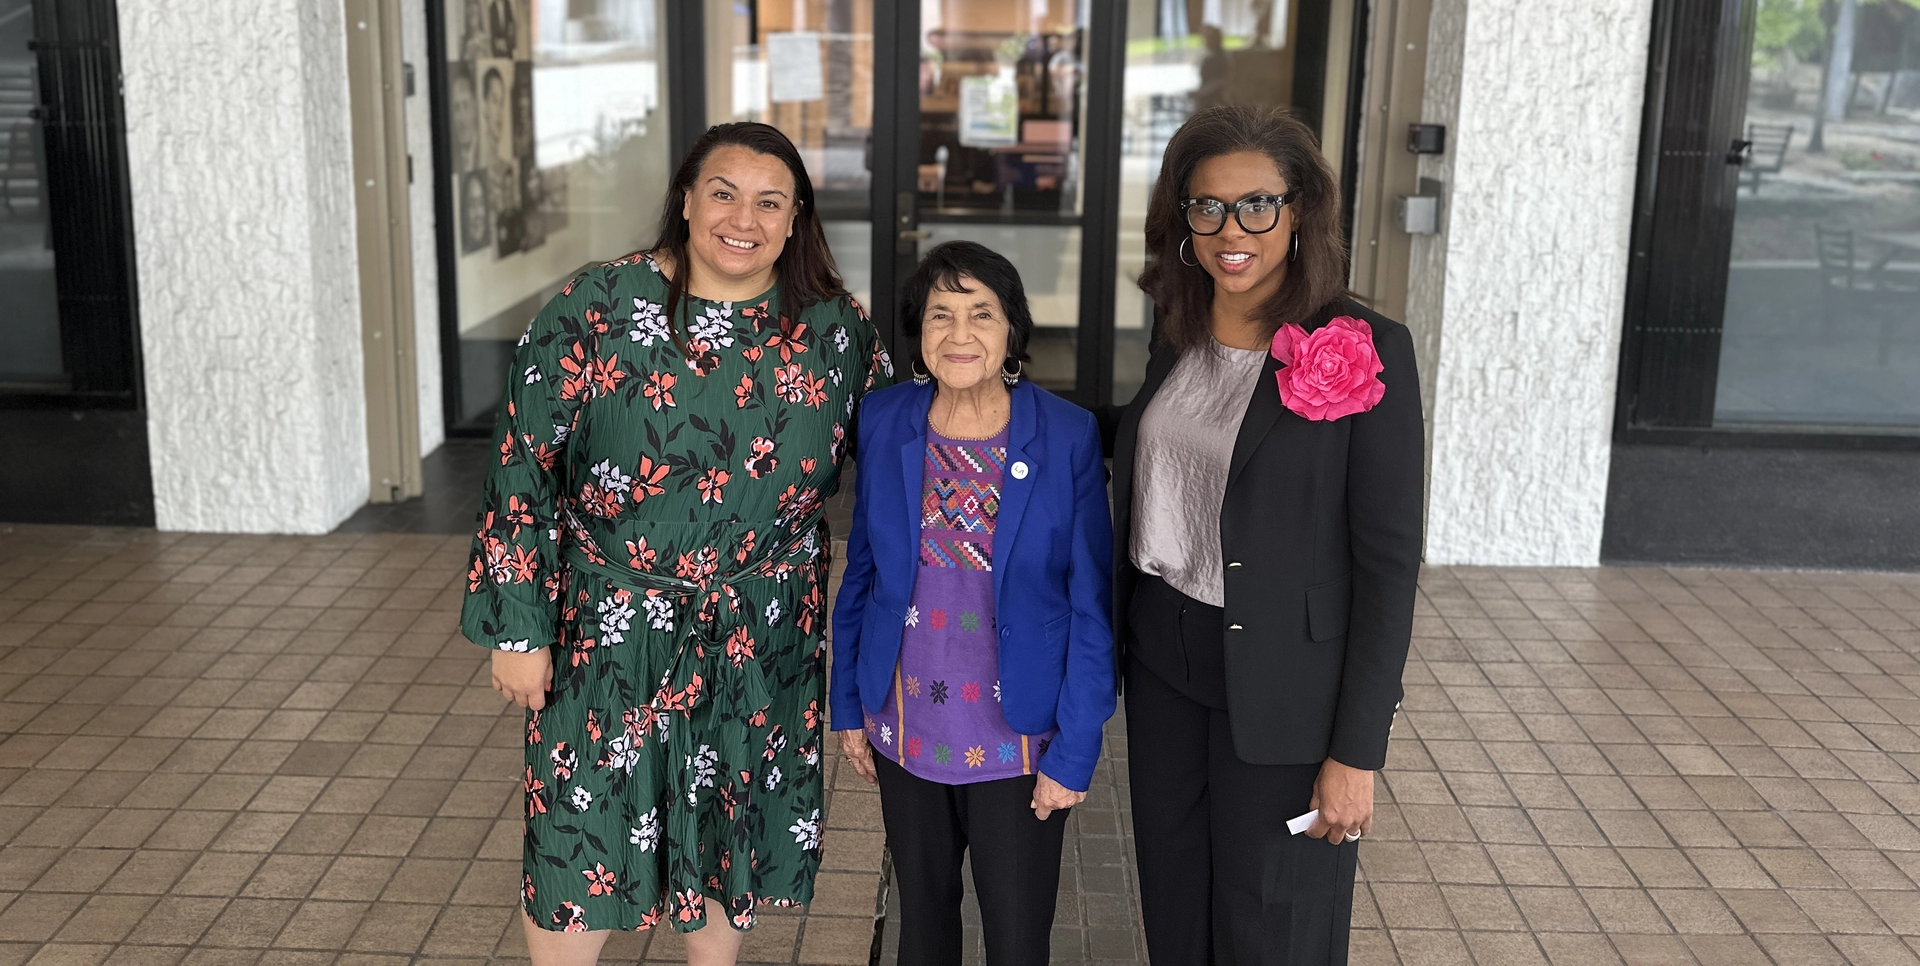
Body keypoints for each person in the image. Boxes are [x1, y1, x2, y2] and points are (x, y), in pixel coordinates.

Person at [461, 121, 891, 964]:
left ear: (797, 218)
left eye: (771, 202)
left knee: (729, 828)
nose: (744, 217)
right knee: (578, 830)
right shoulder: (597, 306)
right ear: (687, 200)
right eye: (724, 192)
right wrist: (520, 629)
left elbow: (896, 467)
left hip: (762, 633)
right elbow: (522, 469)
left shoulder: (836, 332)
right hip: (608, 624)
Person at [1110, 105, 1423, 966]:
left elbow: (1389, 566)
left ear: (1300, 211)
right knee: (1175, 899)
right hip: (1166, 658)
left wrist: (1357, 752)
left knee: (1273, 918)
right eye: (1206, 208)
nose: (1230, 230)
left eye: (1258, 205)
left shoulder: (1366, 347)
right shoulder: (1176, 331)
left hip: (1288, 679)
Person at [833, 241, 1114, 966]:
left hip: (1018, 740)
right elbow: (860, 574)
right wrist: (848, 708)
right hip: (907, 724)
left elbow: (1091, 605)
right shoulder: (887, 418)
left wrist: (1076, 751)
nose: (960, 335)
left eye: (981, 314)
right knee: (922, 927)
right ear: (919, 335)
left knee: (1018, 935)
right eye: (940, 315)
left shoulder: (1068, 434)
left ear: (1011, 331)